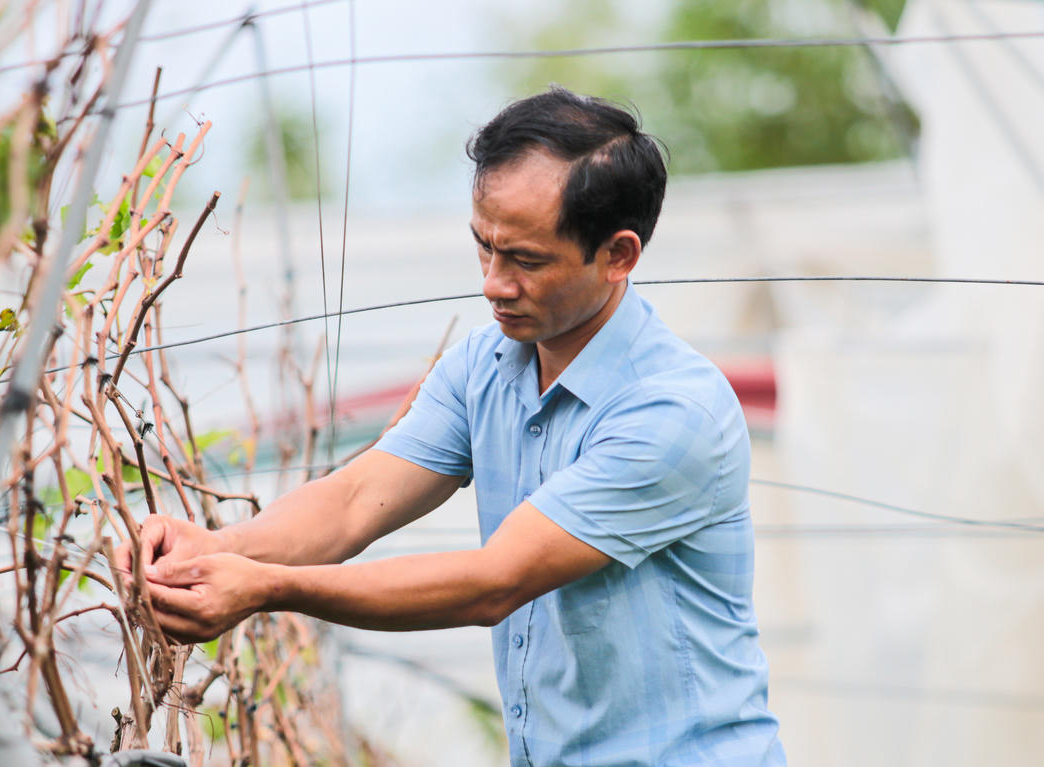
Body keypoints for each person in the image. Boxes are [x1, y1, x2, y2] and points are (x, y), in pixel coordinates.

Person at [115, 87, 785, 766]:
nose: (494, 283)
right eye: (483, 247)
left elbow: (495, 581)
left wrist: (265, 586)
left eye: (525, 259)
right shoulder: (484, 366)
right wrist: (213, 551)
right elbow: (351, 504)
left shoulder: (672, 411)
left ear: (618, 255)